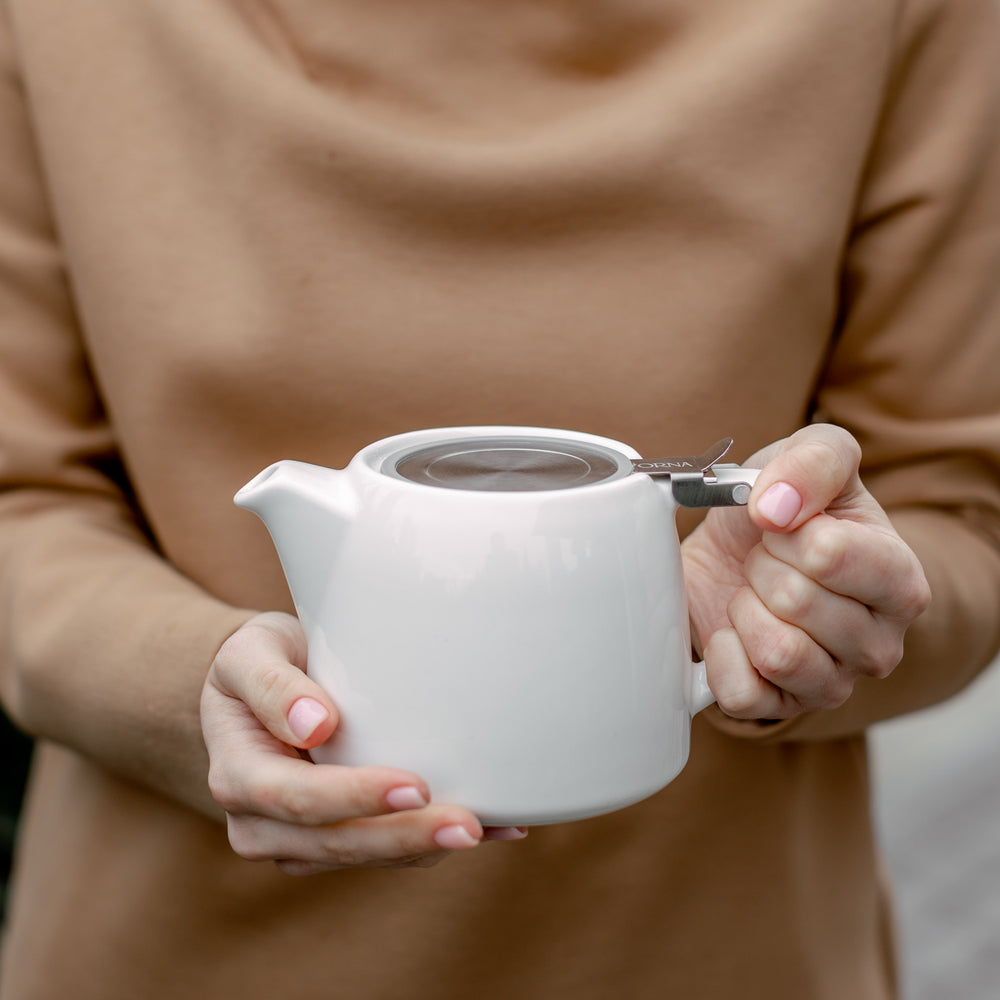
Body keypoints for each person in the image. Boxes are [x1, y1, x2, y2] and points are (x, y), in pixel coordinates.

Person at [0, 1, 997, 997]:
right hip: (172, 957)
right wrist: (195, 691)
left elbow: (958, 508)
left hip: (713, 952)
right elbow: (22, 496)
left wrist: (807, 601)